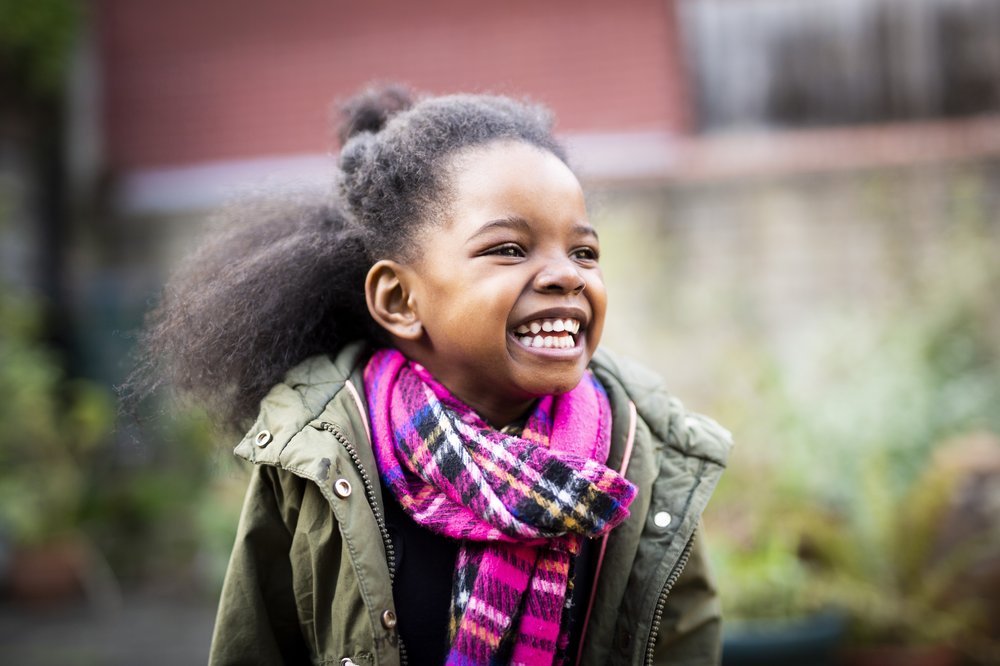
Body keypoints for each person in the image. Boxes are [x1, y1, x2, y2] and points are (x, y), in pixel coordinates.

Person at [137, 84, 732, 665]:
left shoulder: (640, 452)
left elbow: (684, 640)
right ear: (399, 299)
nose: (568, 276)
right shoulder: (321, 457)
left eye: (583, 252)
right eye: (509, 249)